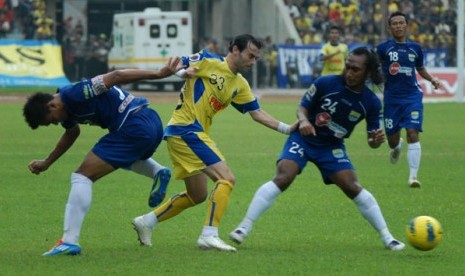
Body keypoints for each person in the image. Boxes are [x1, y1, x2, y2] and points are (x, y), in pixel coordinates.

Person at [131, 34, 297, 252]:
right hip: (185, 129)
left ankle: (147, 221)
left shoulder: (240, 84)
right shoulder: (209, 60)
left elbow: (257, 114)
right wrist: (183, 72)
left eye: (256, 58)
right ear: (235, 50)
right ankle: (209, 235)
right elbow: (178, 64)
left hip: (189, 133)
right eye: (250, 55)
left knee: (197, 195)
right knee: (226, 179)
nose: (253, 62)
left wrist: (288, 129)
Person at [229, 47, 405, 251]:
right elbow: (302, 108)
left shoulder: (371, 103)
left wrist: (376, 140)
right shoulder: (326, 83)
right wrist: (303, 121)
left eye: (355, 69)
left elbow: (372, 141)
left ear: (368, 72)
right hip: (304, 138)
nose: (349, 72)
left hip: (331, 146)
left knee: (352, 186)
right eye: (348, 67)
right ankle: (243, 227)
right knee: (284, 176)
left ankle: (388, 237)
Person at [23, 57, 192, 256]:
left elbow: (116, 76)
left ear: (52, 106)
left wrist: (158, 74)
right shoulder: (66, 111)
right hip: (150, 122)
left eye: (51, 120)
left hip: (133, 126)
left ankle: (68, 242)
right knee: (118, 155)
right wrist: (47, 162)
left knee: (81, 176)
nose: (54, 123)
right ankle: (157, 171)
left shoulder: (75, 93)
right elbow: (72, 133)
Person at [376, 11, 441, 188]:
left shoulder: (416, 48)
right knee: (392, 140)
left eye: (401, 23)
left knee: (413, 132)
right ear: (389, 27)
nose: (398, 26)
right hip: (391, 99)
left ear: (406, 25)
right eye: (394, 23)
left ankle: (413, 177)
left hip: (412, 96)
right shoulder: (383, 48)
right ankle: (397, 147)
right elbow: (375, 69)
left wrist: (432, 79)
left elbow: (420, 68)